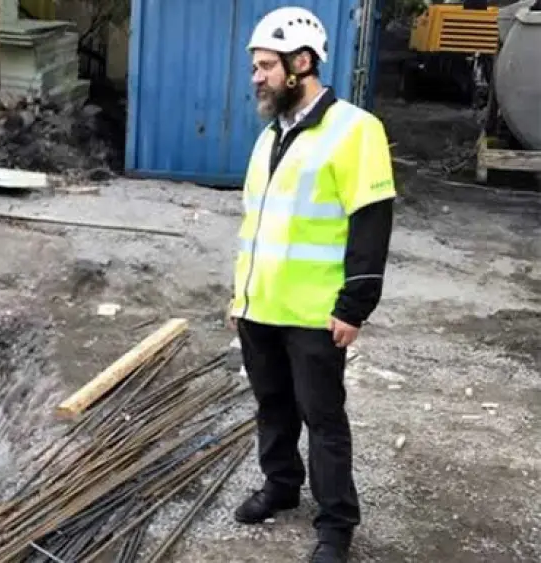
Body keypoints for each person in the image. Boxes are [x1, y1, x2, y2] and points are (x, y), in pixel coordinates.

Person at [228, 6, 396, 563]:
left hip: (315, 313)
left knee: (323, 420)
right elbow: (256, 227)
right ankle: (280, 487)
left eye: (266, 66)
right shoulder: (270, 136)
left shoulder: (356, 130)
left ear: (302, 64)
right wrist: (240, 298)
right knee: (272, 406)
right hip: (261, 309)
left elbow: (371, 226)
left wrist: (355, 306)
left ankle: (336, 524)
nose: (256, 76)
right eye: (256, 66)